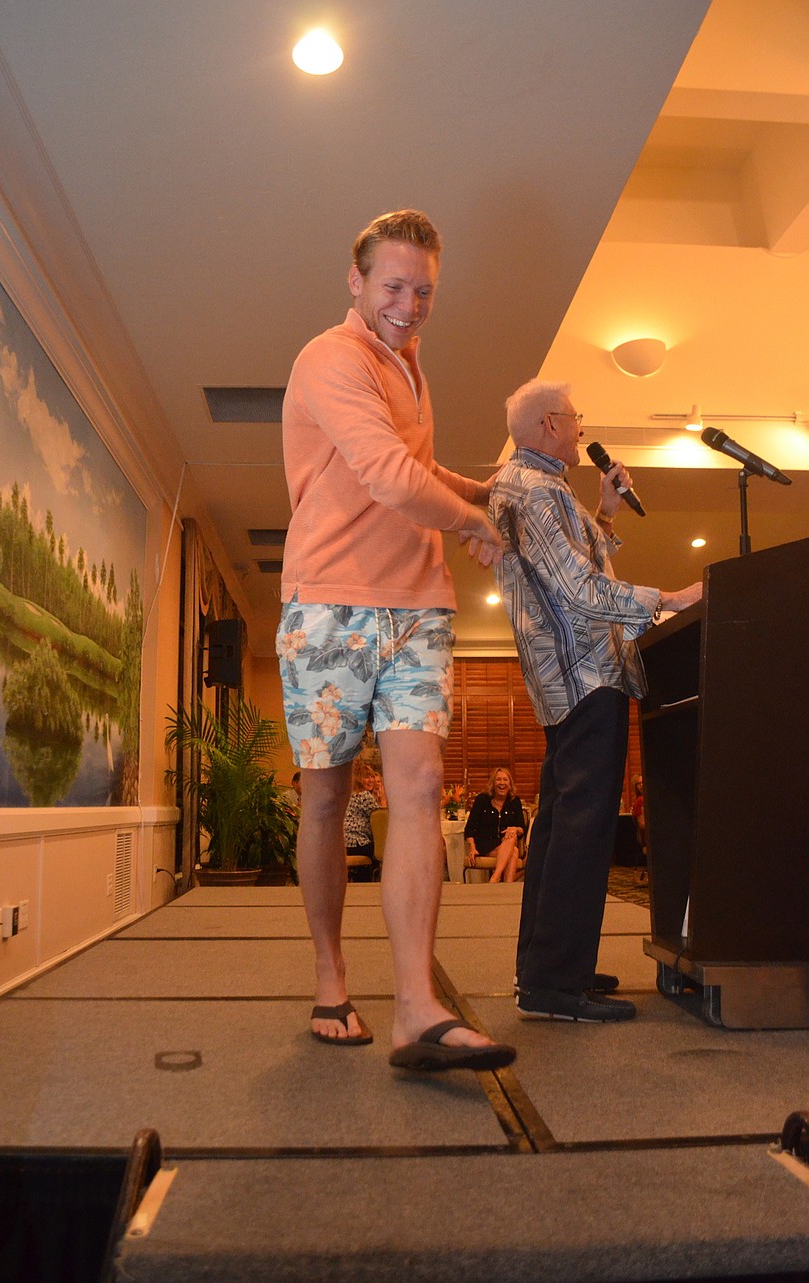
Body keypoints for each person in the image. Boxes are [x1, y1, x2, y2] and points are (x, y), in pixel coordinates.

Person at [277, 209, 515, 1072]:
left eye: (423, 291)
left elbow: (418, 461)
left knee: (419, 785)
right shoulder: (331, 357)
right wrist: (474, 525)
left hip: (417, 606)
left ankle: (417, 1003)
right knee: (329, 800)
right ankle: (331, 975)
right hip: (330, 603)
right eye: (394, 288)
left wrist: (486, 488)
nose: (410, 306)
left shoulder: (411, 365)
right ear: (356, 281)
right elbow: (382, 474)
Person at [489, 379, 702, 1022]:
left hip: (576, 676)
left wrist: (606, 510)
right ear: (550, 424)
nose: (583, 429)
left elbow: (581, 564)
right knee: (579, 831)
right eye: (577, 419)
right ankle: (557, 982)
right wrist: (668, 599)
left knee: (559, 827)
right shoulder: (530, 490)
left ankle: (551, 969)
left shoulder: (544, 488)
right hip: (584, 675)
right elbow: (577, 589)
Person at [464, 767, 528, 882]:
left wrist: (515, 829)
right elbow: (470, 828)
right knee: (513, 851)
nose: (502, 783)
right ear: (493, 783)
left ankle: (495, 878)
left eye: (505, 780)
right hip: (485, 845)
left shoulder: (514, 801)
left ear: (510, 784)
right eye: (498, 780)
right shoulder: (482, 799)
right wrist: (472, 848)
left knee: (513, 844)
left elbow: (522, 828)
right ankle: (502, 884)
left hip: (507, 842)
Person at [344, 758, 387, 880]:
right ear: (359, 779)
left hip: (345, 842)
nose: (371, 780)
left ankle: (361, 879)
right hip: (357, 842)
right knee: (385, 851)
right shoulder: (364, 795)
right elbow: (381, 817)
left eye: (372, 777)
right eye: (367, 777)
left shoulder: (352, 794)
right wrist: (383, 798)